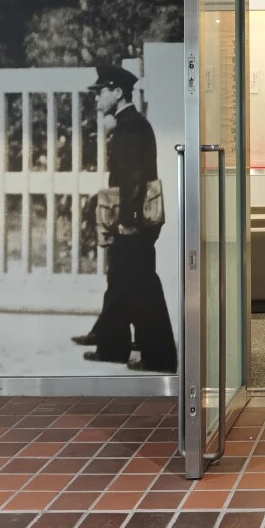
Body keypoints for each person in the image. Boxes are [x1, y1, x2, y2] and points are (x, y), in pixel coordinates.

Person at [77, 64, 178, 373]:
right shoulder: (129, 123)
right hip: (133, 215)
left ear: (118, 93)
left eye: (102, 91)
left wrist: (127, 220)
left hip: (135, 219)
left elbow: (134, 178)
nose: (96, 98)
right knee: (120, 278)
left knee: (142, 285)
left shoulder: (130, 127)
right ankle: (112, 346)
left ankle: (159, 356)